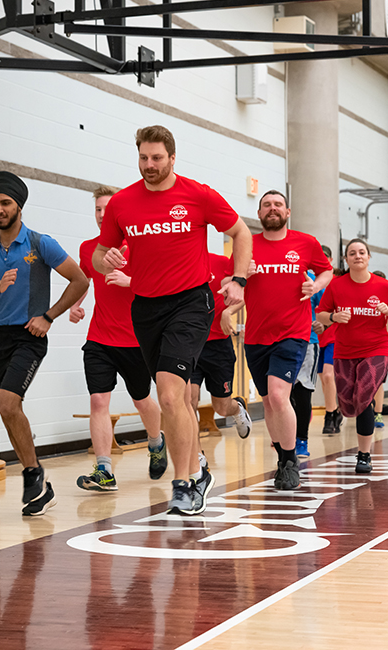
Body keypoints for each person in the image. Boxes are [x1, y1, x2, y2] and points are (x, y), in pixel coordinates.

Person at [93, 125, 253, 516]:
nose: (150, 165)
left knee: (168, 394)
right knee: (176, 398)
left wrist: (239, 279)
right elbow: (100, 253)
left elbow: (241, 232)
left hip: (191, 303)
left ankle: (183, 484)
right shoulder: (123, 203)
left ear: (172, 158)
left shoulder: (197, 194)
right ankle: (198, 470)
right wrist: (106, 259)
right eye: (144, 158)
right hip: (145, 307)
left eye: (157, 158)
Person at [0, 171, 90, 515]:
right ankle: (38, 480)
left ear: (18, 206)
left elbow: (80, 280)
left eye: (5, 203)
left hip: (30, 336)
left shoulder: (39, 244)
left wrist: (49, 316)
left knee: (8, 404)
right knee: (8, 413)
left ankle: (32, 474)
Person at [69, 186, 167, 492]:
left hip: (136, 340)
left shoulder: (138, 245)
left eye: (106, 209)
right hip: (100, 337)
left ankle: (156, 441)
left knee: (141, 400)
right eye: (97, 209)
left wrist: (130, 281)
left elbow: (162, 281)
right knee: (99, 401)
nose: (101, 214)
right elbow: (85, 277)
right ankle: (104, 470)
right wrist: (76, 303)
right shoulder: (89, 247)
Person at [244, 190, 332, 489]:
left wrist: (315, 285)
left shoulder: (305, 242)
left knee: (280, 395)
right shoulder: (248, 244)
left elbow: (326, 270)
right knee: (268, 401)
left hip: (292, 333)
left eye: (277, 205)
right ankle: (282, 457)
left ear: (288, 211)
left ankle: (291, 459)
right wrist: (242, 274)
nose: (272, 209)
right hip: (256, 335)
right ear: (259, 213)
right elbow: (231, 280)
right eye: (266, 205)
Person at [316, 240, 388, 472]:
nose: (357, 256)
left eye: (362, 252)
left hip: (376, 349)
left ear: (368, 257)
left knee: (364, 397)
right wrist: (334, 318)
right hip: (344, 351)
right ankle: (339, 412)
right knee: (349, 405)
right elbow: (321, 314)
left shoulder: (384, 286)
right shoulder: (336, 286)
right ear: (346, 260)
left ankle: (364, 455)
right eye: (352, 253)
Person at [189, 251, 253, 442]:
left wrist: (228, 312)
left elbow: (240, 296)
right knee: (188, 401)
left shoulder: (222, 263)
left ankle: (238, 407)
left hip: (217, 345)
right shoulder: (179, 263)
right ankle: (196, 455)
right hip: (189, 343)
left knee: (222, 407)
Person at [292, 267, 326, 459]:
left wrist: (323, 323)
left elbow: (326, 308)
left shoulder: (313, 280)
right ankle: (284, 434)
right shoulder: (274, 274)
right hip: (276, 342)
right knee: (280, 393)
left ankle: (301, 440)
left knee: (302, 392)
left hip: (307, 342)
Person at [317, 247, 343, 435]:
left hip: (335, 334)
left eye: (324, 258)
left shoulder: (337, 282)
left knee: (328, 375)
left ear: (331, 260)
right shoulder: (311, 281)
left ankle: (330, 414)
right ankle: (336, 409)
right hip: (316, 337)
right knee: (324, 380)